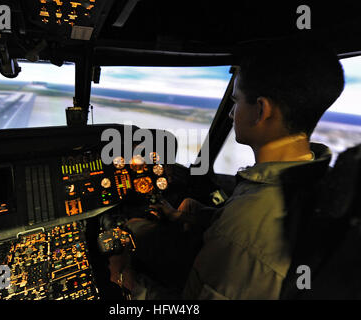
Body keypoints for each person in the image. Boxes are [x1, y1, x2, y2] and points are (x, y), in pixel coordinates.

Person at [108, 36, 345, 299]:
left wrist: (127, 279)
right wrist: (203, 216)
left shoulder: (242, 230)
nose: (231, 113)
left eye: (236, 101)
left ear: (260, 110)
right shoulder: (318, 180)